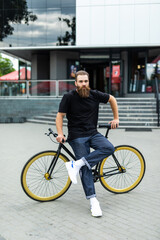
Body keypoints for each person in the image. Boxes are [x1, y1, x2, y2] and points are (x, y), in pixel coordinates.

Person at [56, 70, 119, 217]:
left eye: (86, 81)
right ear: (76, 83)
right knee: (86, 168)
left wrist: (116, 118)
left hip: (93, 133)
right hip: (77, 136)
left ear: (88, 82)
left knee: (109, 147)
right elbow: (59, 116)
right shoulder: (69, 97)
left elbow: (112, 99)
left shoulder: (95, 94)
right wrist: (60, 133)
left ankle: (76, 164)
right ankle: (93, 201)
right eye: (81, 82)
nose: (84, 84)